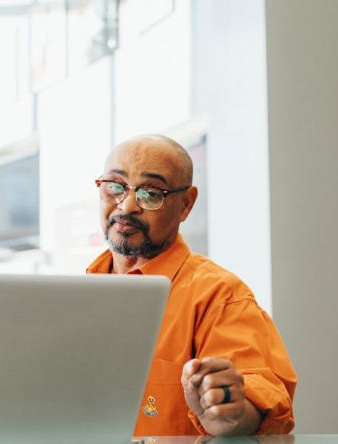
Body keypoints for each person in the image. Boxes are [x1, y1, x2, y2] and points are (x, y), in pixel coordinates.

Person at [87, 135, 297, 436]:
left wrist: (231, 414)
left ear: (186, 204)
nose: (127, 205)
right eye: (115, 186)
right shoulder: (80, 293)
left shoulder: (220, 295)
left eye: (151, 193)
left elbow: (258, 398)